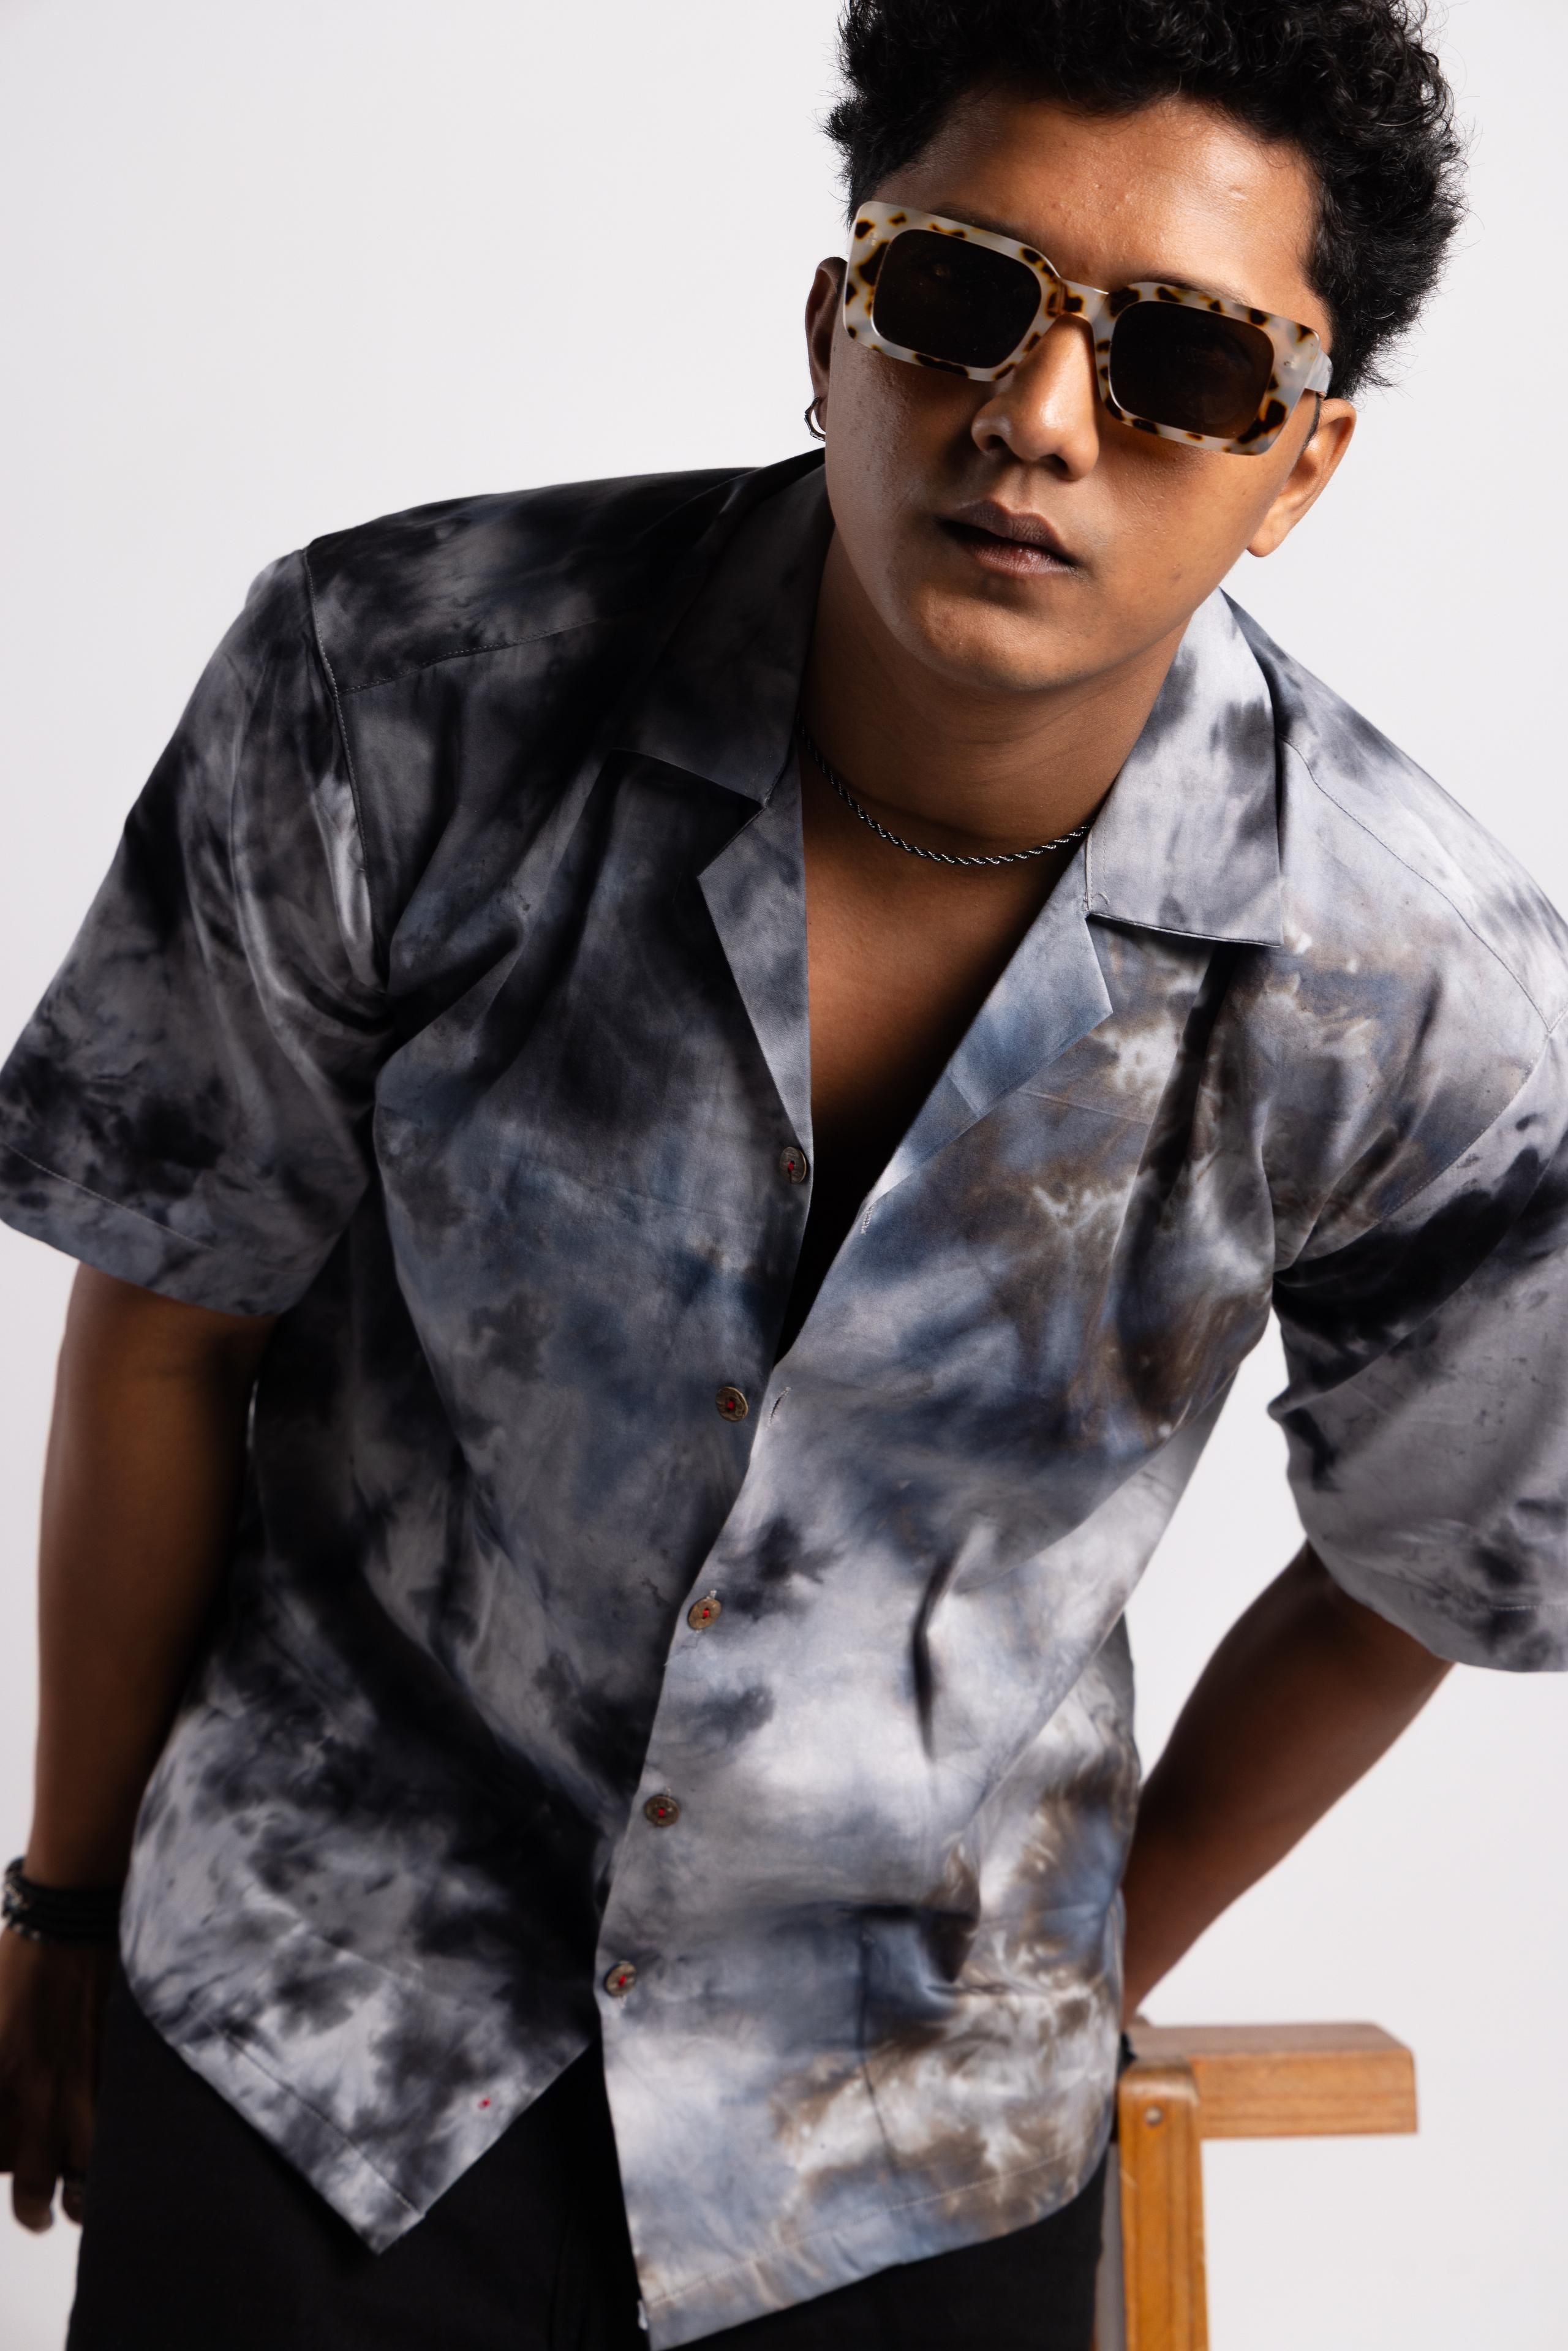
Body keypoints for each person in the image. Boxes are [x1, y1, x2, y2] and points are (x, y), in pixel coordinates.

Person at [1, 2, 1559, 2345]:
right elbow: (167, 1317)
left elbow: (1425, 1568)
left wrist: (1062, 1987)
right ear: (837, 318)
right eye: (961, 295)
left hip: (900, 2179)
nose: (1039, 418)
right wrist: (63, 1902)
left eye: (1184, 365)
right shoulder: (395, 687)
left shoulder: (1420, 990)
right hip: (319, 2043)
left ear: (1300, 465)